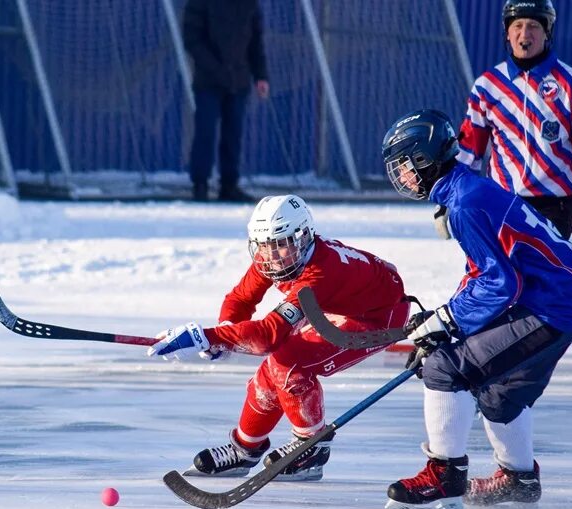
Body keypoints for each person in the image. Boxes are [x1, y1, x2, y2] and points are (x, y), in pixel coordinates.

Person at [380, 109, 572, 509]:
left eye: (405, 166)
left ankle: (444, 477)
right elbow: (482, 271)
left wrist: (447, 323)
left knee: (444, 368)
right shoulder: (467, 190)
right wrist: (446, 320)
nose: (403, 177)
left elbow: (501, 284)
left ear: (425, 159)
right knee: (499, 392)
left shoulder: (465, 203)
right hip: (558, 299)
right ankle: (518, 480)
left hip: (550, 307)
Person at [147, 194, 409, 481]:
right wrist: (226, 331)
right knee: (270, 372)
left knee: (289, 364)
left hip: (376, 317)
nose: (271, 255)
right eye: (263, 245)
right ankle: (245, 448)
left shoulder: (320, 273)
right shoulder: (276, 257)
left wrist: (209, 337)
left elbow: (268, 336)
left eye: (281, 243)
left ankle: (312, 446)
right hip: (342, 307)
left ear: (304, 236)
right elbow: (241, 298)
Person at [450, 0, 572, 241]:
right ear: (507, 32)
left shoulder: (571, 83)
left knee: (545, 276)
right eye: (517, 25)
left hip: (555, 206)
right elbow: (468, 148)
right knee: (502, 274)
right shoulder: (488, 85)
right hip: (502, 201)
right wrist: (451, 196)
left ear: (547, 31)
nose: (524, 34)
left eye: (533, 26)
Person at [182, 0, 269, 202]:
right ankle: (200, 183)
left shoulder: (249, 5)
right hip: (209, 81)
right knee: (206, 131)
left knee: (233, 134)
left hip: (238, 80)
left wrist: (261, 76)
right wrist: (216, 68)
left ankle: (229, 184)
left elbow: (256, 42)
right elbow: (192, 39)